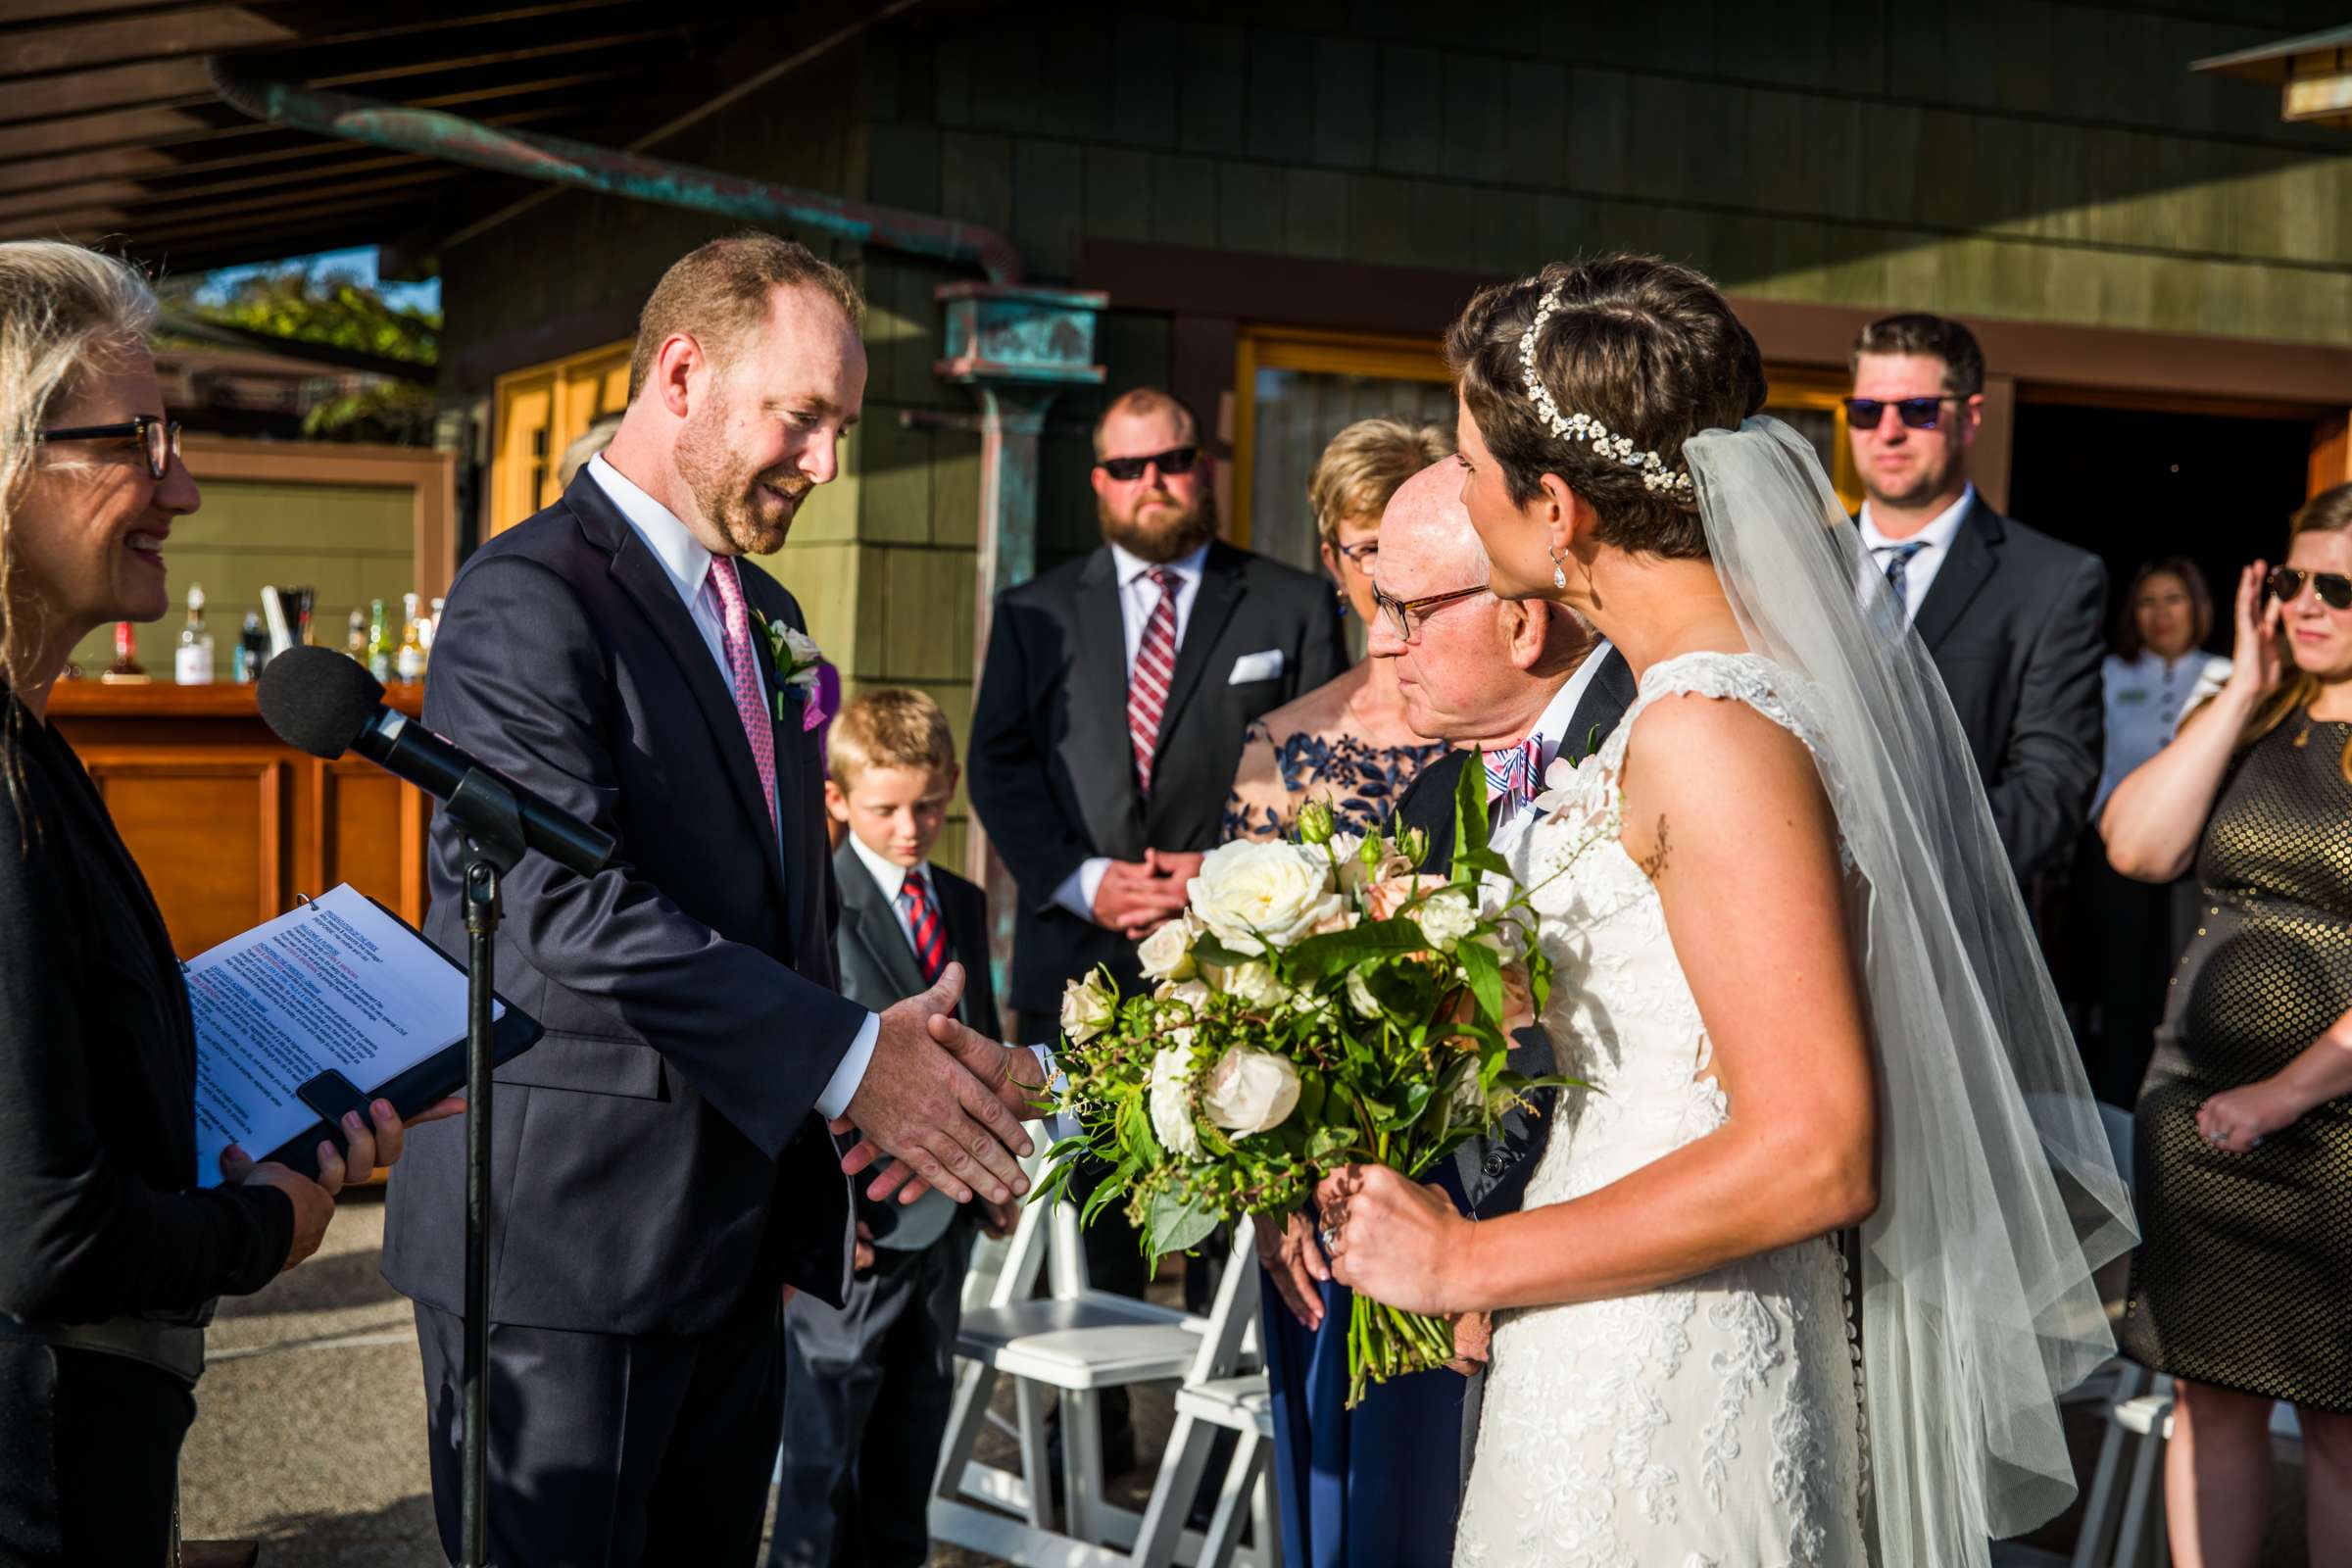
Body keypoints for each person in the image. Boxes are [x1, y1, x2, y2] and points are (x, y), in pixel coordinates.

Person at [1318, 256, 2129, 1566]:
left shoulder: (1710, 728)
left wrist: (1469, 1262)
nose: (1457, 496)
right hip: (1610, 1309)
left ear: (1558, 507)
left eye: (1470, 467)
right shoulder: (1690, 703)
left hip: (1675, 1360)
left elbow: (1818, 1148)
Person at [381, 232, 1045, 1567]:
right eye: (802, 420)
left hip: (731, 1240)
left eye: (841, 428)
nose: (825, 465)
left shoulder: (769, 611)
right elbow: (569, 917)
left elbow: (763, 920)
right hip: (568, 1250)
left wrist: (878, 1082)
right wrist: (855, 1061)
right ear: (681, 372)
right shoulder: (527, 599)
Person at [0, 239, 416, 1565]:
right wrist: (267, 1227)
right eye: (142, 440)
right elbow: (45, 1237)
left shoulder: (31, 745)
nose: (182, 484)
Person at [1249, 460, 1629, 1568]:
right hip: (1423, 1305)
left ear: (1521, 618)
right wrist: (1301, 1171)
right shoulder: (1429, 794)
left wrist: (1489, 1262)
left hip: (1586, 1293)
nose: (1378, 644)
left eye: (1407, 610)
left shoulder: (1657, 753)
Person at [967, 385, 1346, 1462]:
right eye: (1128, 468)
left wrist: (1229, 869)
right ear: (1098, 483)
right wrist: (1082, 880)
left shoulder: (1287, 604)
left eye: (1171, 460)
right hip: (1075, 958)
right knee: (1090, 1219)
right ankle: (1091, 1458)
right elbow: (998, 762)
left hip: (1234, 969)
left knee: (1230, 1222)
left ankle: (1221, 1453)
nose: (1153, 483)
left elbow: (1315, 768)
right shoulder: (1037, 609)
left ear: (1204, 465)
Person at [2100, 488, 2352, 1567]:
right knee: (2211, 1396)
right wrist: (2246, 683)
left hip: (2338, 1137)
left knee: (2343, 1417)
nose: (2304, 602)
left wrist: (2286, 1093)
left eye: (2335, 585)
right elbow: (2137, 847)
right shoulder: (2251, 710)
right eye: (2292, 579)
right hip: (2197, 1114)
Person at [769, 689, 1010, 1568]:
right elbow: (798, 1074)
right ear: (837, 799)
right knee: (824, 1471)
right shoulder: (814, 909)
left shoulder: (964, 900)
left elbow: (979, 1044)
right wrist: (823, 1215)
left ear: (951, 786)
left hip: (944, 1230)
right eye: (887, 809)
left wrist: (994, 1183)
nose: (912, 827)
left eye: (931, 806)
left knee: (909, 1460)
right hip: (857, 1236)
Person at [1848, 312, 2107, 887]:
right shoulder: (1798, 563)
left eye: (1916, 410)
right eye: (1867, 411)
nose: (1888, 432)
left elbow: (2051, 787)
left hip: (1956, 921)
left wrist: (1903, 881)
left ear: (1969, 417)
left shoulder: (2053, 579)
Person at [1220, 418, 1450, 843]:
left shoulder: (1515, 725)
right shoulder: (1282, 742)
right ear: (1333, 564)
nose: (1392, 571)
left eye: (1412, 542)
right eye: (1371, 549)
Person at [2078, 559, 2231, 1103]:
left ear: (2198, 607)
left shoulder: (2227, 675)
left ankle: (2182, 1101)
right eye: (2148, 601)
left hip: (2200, 862)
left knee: (2186, 979)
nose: (2161, 614)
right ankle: (2119, 1101)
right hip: (2117, 850)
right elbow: (2088, 757)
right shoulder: (2107, 675)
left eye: (2174, 599)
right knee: (2123, 982)